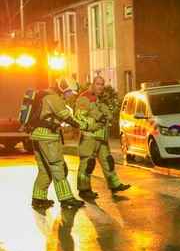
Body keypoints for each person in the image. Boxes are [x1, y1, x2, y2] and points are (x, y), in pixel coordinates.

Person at [30, 77, 93, 209]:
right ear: (64, 88)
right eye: (70, 92)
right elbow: (66, 116)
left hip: (36, 135)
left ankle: (38, 198)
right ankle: (66, 198)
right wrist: (83, 125)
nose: (70, 95)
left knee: (44, 170)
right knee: (58, 167)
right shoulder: (54, 98)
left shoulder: (44, 95)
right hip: (48, 137)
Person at [75, 76, 131, 199]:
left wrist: (105, 116)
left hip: (101, 138)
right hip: (89, 138)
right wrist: (97, 122)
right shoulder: (84, 99)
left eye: (102, 84)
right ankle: (84, 190)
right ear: (93, 84)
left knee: (108, 161)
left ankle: (114, 184)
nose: (101, 87)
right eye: (98, 84)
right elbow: (79, 118)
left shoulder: (98, 99)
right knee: (87, 164)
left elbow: (108, 116)